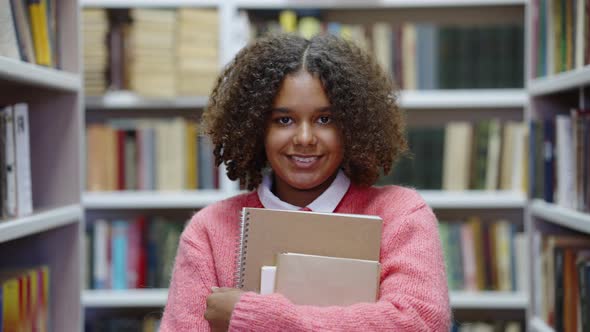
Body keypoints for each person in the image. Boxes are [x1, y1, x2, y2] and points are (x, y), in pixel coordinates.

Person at [160, 33, 451, 331]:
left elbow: (417, 323)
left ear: (352, 126)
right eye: (283, 120)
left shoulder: (400, 215)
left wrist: (253, 316)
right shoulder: (209, 231)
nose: (304, 138)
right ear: (256, 127)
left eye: (324, 119)